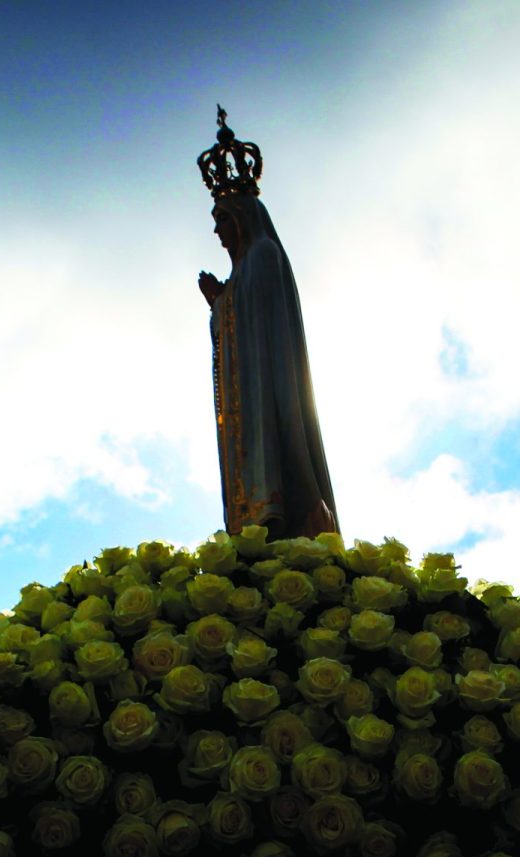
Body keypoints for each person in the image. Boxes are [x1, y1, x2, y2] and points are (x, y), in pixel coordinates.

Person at [196, 108, 340, 539]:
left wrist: (224, 304)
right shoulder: (243, 271)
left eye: (222, 219)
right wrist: (220, 304)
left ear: (241, 215)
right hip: (249, 395)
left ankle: (280, 503)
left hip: (267, 388)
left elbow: (262, 335)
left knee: (277, 446)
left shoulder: (262, 255)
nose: (218, 232)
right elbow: (238, 326)